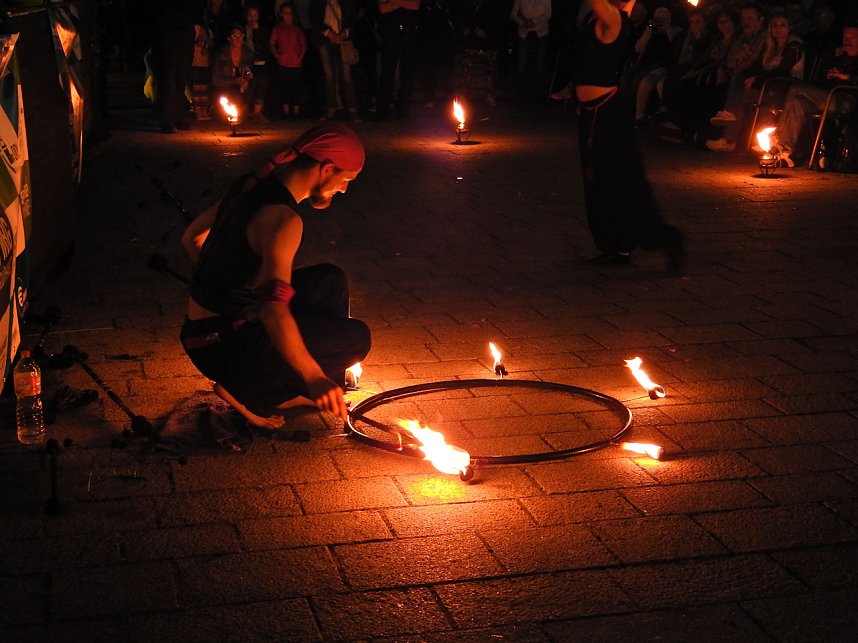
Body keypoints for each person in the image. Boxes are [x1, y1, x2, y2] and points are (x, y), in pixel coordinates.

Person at [180, 123, 371, 428]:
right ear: (326, 169)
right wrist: (314, 375)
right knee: (357, 338)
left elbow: (191, 238)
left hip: (201, 331)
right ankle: (253, 391)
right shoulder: (283, 220)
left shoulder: (252, 184)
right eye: (346, 179)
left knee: (329, 280)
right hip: (223, 346)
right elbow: (274, 311)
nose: (344, 189)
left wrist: (222, 284)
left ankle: (297, 389)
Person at [572, 0, 684, 270]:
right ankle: (616, 246)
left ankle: (661, 239)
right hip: (593, 111)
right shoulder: (598, 19)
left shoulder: (615, 18)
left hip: (607, 114)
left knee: (617, 181)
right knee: (597, 180)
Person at [706, 11, 804, 152]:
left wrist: (757, 79)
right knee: (741, 83)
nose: (778, 29)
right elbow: (757, 67)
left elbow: (783, 70)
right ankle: (729, 131)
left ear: (790, 27)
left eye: (782, 25)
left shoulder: (795, 45)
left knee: (745, 95)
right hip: (768, 86)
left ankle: (729, 138)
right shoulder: (770, 46)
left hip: (787, 87)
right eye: (774, 25)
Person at [774, 21, 858, 167]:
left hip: (847, 101)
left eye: (853, 37)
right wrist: (832, 66)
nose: (847, 41)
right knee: (797, 102)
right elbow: (820, 83)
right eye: (845, 38)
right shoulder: (840, 57)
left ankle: (777, 138)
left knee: (796, 88)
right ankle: (785, 152)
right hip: (828, 97)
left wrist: (846, 77)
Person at [309, 0, 362, 121]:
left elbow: (352, 19)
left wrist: (343, 34)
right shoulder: (318, 3)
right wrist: (329, 34)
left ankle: (352, 109)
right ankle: (331, 109)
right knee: (329, 75)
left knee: (347, 76)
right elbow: (314, 19)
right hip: (324, 41)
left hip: (343, 41)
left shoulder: (346, 2)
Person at [210, 24, 270, 120]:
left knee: (263, 78)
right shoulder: (222, 55)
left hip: (242, 88)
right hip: (227, 88)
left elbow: (248, 70)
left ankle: (257, 112)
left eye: (241, 36)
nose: (238, 39)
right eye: (235, 36)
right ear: (229, 39)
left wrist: (248, 76)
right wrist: (234, 81)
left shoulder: (248, 54)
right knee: (234, 101)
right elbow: (216, 80)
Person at [375, 0, 421, 119]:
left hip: (409, 32)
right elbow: (382, 9)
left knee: (407, 73)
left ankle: (402, 109)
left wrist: (393, 1)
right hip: (390, 34)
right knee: (387, 72)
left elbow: (415, 5)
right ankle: (382, 110)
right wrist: (404, 3)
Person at [270, 2, 308, 117]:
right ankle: (286, 111)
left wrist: (300, 56)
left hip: (296, 64)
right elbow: (272, 43)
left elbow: (303, 44)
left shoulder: (297, 29)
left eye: (290, 13)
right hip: (283, 63)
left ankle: (296, 111)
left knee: (296, 87)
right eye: (285, 13)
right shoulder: (278, 28)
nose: (288, 15)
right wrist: (277, 55)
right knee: (284, 87)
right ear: (281, 14)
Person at [510, 0, 552, 99]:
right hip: (524, 33)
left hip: (541, 32)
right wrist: (523, 22)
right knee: (522, 62)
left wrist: (534, 21)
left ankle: (538, 92)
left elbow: (548, 14)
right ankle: (520, 91)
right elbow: (513, 14)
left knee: (539, 61)